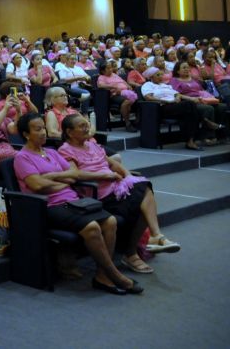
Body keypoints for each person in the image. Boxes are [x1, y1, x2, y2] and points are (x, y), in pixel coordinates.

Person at [14, 114, 142, 295]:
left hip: (74, 200)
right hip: (49, 206)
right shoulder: (22, 157)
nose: (43, 132)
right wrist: (64, 181)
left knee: (111, 221)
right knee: (91, 227)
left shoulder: (51, 152)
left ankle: (101, 276)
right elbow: (37, 185)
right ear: (26, 134)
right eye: (38, 129)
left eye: (43, 128)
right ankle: (114, 275)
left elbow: (75, 175)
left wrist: (52, 177)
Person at [59, 114, 180, 274]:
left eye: (86, 124)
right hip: (96, 193)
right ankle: (134, 252)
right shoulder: (65, 150)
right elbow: (76, 175)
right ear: (69, 132)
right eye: (81, 126)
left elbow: (112, 163)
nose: (87, 128)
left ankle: (151, 238)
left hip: (114, 187)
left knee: (143, 188)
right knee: (142, 195)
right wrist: (105, 176)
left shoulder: (92, 145)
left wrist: (128, 176)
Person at [140, 68, 203, 150]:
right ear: (151, 77)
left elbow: (177, 94)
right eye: (158, 75)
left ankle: (190, 141)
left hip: (174, 105)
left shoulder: (165, 85)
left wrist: (177, 97)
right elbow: (148, 97)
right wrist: (164, 101)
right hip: (162, 107)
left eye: (161, 74)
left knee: (189, 113)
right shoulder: (148, 85)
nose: (161, 77)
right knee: (189, 105)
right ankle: (204, 122)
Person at [170, 61, 226, 145]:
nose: (187, 69)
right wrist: (193, 98)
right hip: (189, 102)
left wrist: (208, 96)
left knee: (222, 107)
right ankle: (207, 137)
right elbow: (175, 94)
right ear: (178, 71)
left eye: (187, 67)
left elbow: (201, 90)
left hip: (202, 99)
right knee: (208, 109)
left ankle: (220, 135)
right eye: (184, 68)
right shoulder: (174, 80)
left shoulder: (193, 79)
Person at [97, 61, 138, 132]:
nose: (111, 69)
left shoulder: (114, 74)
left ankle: (138, 120)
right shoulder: (102, 77)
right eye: (108, 68)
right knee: (126, 102)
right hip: (114, 95)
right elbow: (100, 85)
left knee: (139, 100)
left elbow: (122, 81)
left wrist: (128, 86)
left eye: (111, 67)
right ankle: (128, 123)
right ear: (103, 71)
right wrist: (113, 86)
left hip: (125, 92)